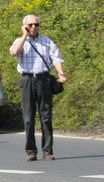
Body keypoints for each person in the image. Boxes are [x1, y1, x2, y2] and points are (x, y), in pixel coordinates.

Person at [9, 15, 66, 161]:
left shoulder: (46, 41)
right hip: (27, 79)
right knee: (28, 118)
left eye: (36, 24)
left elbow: (56, 57)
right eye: (30, 25)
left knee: (46, 116)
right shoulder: (20, 41)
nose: (33, 27)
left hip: (43, 79)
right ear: (24, 26)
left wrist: (60, 73)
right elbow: (15, 53)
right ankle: (31, 151)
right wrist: (24, 35)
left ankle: (48, 150)